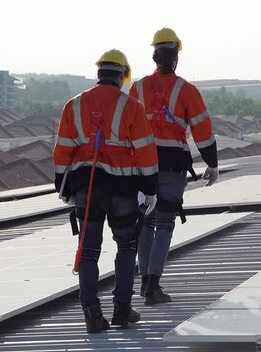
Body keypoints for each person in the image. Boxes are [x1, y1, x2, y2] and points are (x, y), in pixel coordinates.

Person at [53, 49, 158, 333]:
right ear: (123, 76)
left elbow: (63, 149)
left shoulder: (73, 105)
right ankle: (122, 309)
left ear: (99, 73)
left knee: (87, 251)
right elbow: (146, 152)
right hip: (123, 188)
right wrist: (150, 190)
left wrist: (62, 186)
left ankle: (92, 314)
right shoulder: (132, 107)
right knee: (126, 246)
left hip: (86, 187)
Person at [129, 28, 219, 305]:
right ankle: (154, 285)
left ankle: (144, 283)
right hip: (171, 165)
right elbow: (202, 131)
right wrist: (212, 165)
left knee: (144, 221)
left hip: (140, 165)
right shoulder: (187, 90)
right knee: (165, 222)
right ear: (175, 57)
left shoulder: (137, 88)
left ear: (154, 55)